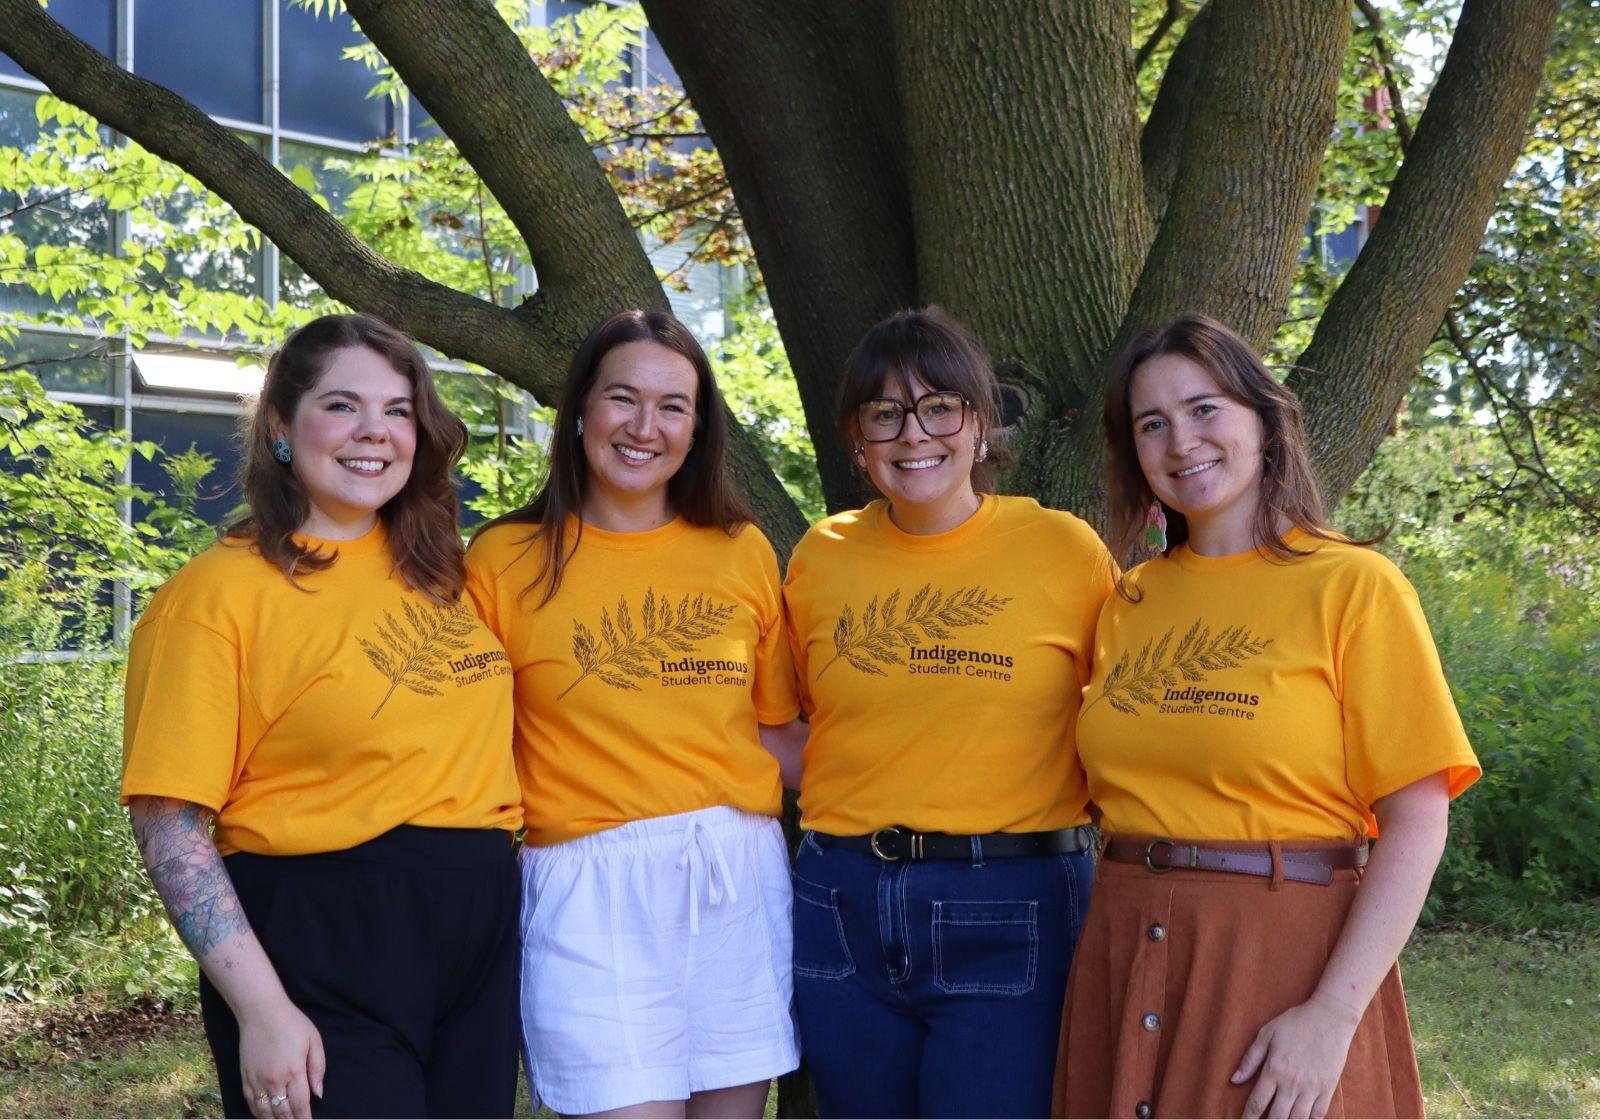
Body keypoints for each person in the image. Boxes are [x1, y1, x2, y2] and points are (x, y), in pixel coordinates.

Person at [1054, 312, 1481, 1119]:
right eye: (1152, 424)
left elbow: (1419, 819)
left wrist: (1332, 1015)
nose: (1182, 442)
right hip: (1125, 946)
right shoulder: (1129, 602)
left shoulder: (1354, 587)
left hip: (1286, 960)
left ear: (1263, 419)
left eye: (1204, 408)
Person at [121, 315, 524, 1119]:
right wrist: (262, 1010)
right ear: (280, 426)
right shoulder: (214, 599)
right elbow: (168, 823)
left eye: (398, 410)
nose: (375, 431)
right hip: (321, 944)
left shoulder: (445, 575)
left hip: (475, 937)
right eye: (342, 406)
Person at [465, 309, 804, 1119]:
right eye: (623, 398)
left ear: (698, 428)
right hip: (586, 885)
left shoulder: (742, 550)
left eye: (673, 406)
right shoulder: (503, 559)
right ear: (581, 408)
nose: (645, 427)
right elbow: (466, 742)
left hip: (734, 876)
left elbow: (776, 734)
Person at [781, 307, 1113, 1118]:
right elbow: (794, 726)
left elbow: (1121, 728)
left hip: (1011, 901)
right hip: (841, 901)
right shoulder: (819, 556)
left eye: (939, 407)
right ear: (856, 437)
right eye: (884, 413)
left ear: (981, 423)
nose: (912, 434)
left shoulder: (1065, 551)